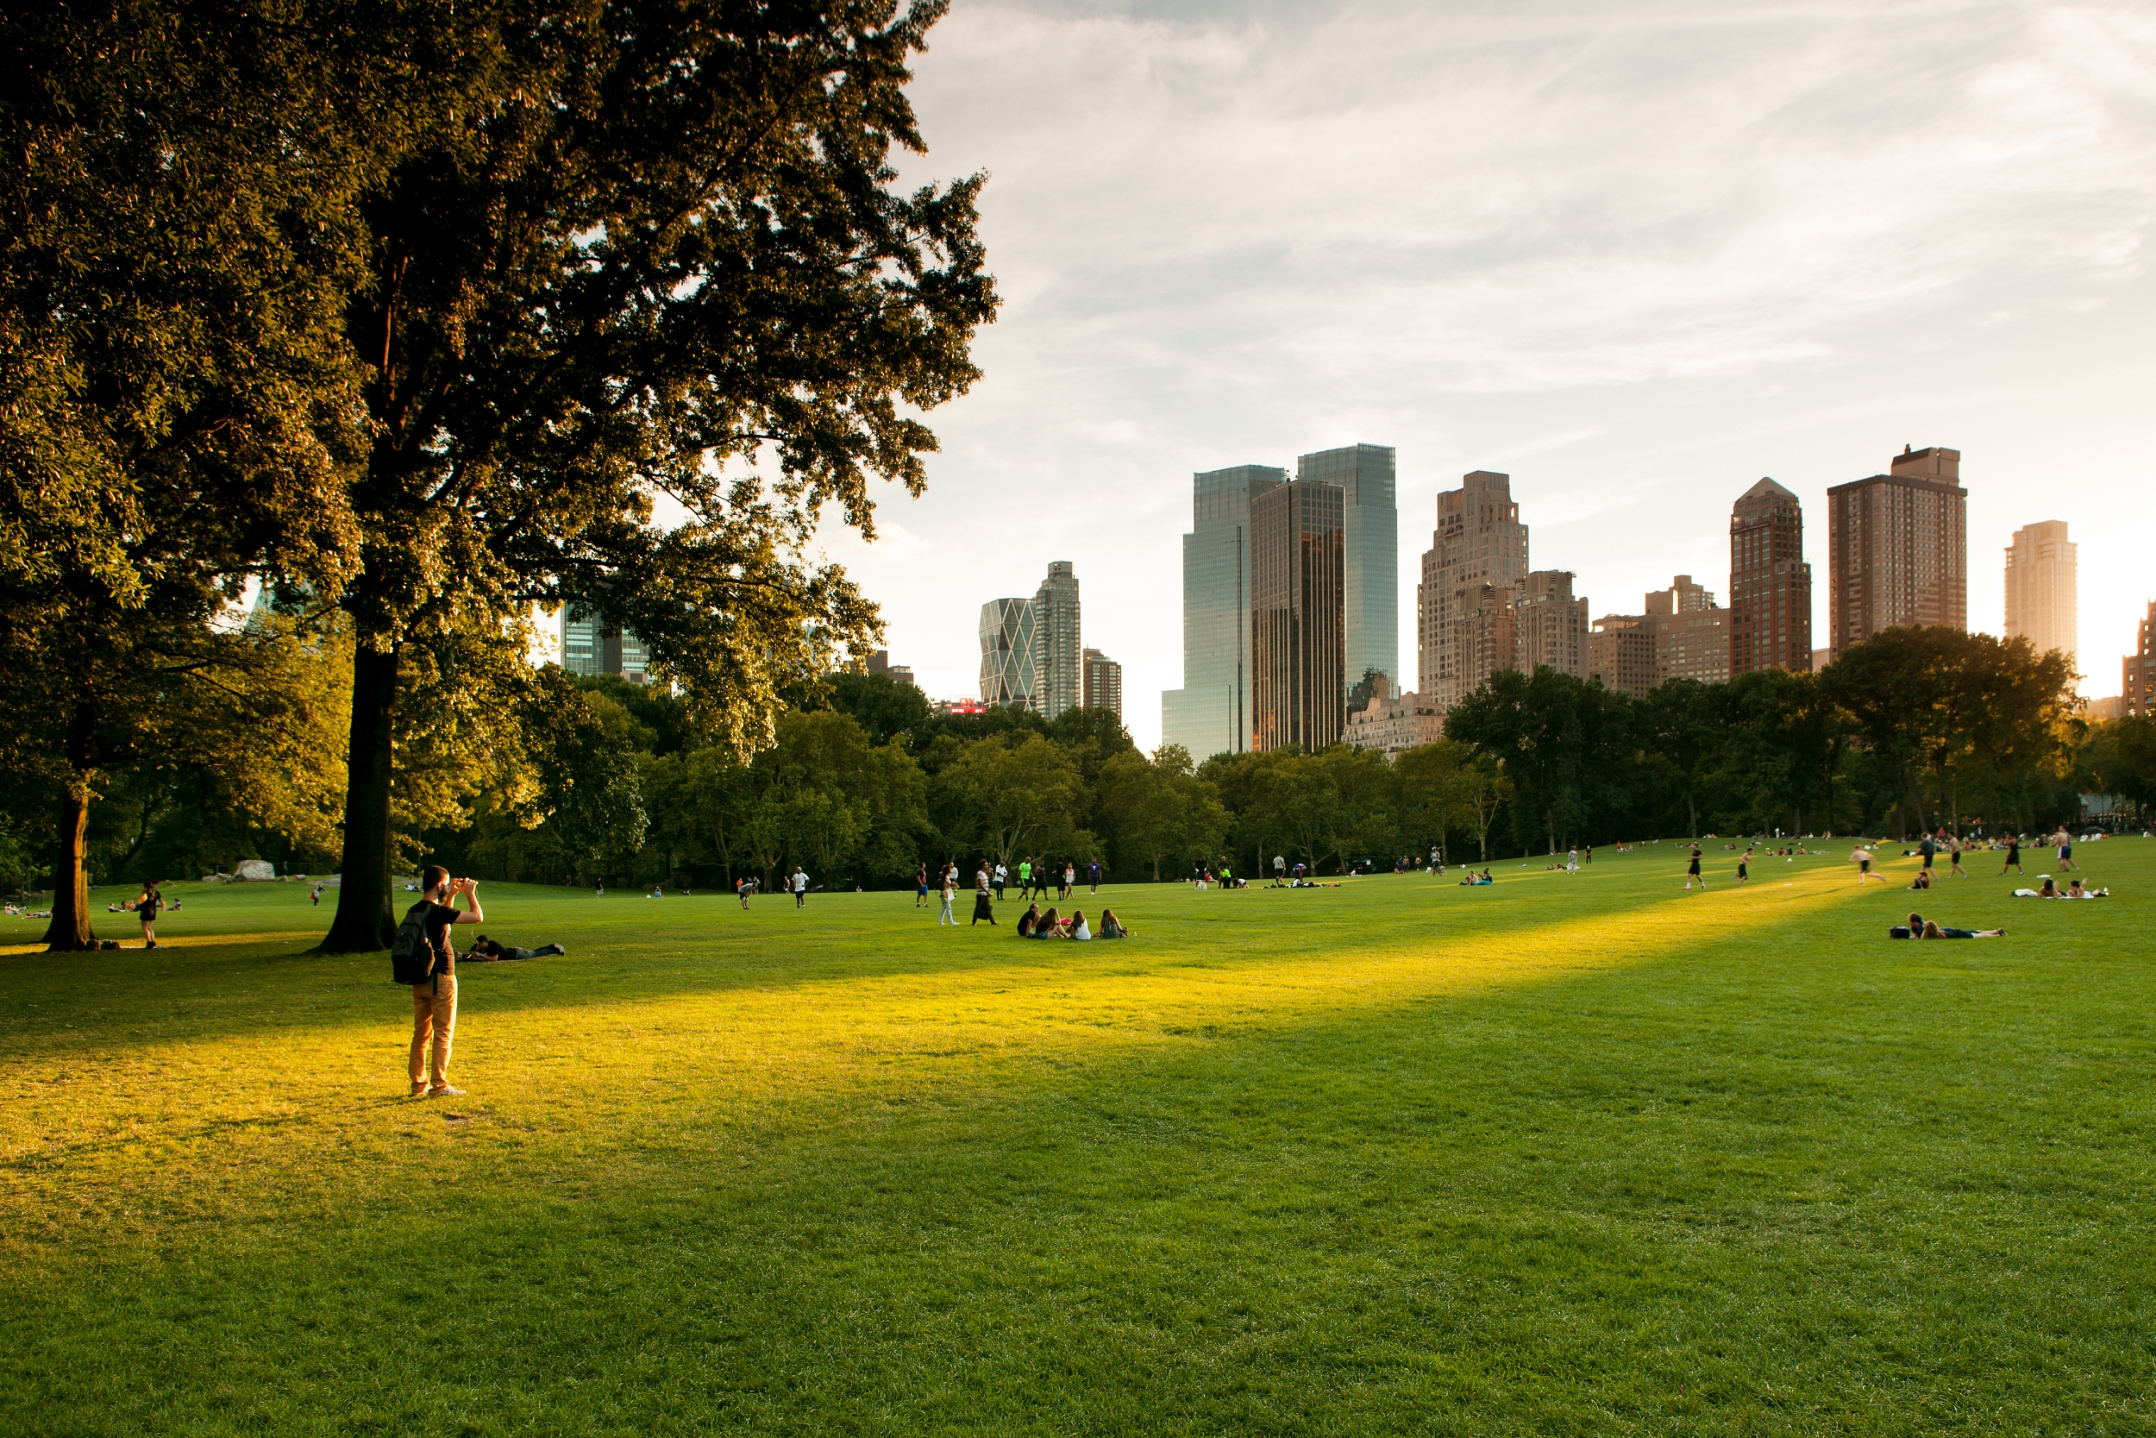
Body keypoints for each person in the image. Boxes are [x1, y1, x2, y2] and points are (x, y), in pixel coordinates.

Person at [402, 866, 484, 1098]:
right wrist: (470, 893)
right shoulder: (436, 912)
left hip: (419, 978)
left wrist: (452, 896)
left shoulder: (416, 910)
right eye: (446, 884)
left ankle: (418, 1084)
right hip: (442, 978)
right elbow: (477, 917)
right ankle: (439, 1085)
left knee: (420, 1034)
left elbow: (443, 929)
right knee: (443, 1033)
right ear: (439, 885)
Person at [467, 935, 566, 961]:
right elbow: (472, 951)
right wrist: (475, 950)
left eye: (479, 944)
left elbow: (494, 959)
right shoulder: (482, 947)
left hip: (516, 954)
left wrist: (480, 955)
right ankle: (551, 947)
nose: (478, 946)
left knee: (534, 954)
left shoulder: (492, 944)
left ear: (484, 943)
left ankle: (553, 949)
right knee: (534, 952)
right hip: (514, 951)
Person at [132, 879, 163, 949]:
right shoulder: (156, 892)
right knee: (149, 927)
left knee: (145, 928)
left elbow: (140, 902)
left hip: (146, 911)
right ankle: (153, 941)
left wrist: (134, 907)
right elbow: (162, 902)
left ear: (145, 887)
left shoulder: (145, 893)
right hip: (153, 911)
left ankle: (149, 942)